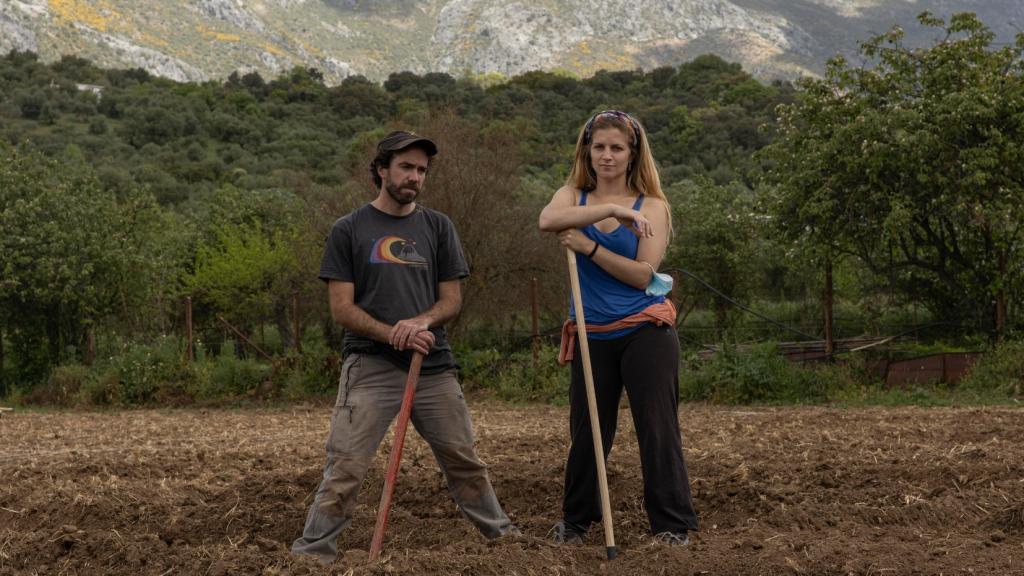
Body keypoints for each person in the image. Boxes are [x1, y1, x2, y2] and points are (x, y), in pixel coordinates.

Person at [292, 130, 517, 563]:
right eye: (406, 167)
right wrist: (391, 331)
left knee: (463, 460)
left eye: (421, 170)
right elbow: (341, 308)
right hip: (370, 365)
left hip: (432, 366)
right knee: (347, 467)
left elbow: (451, 300)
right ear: (381, 169)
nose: (414, 176)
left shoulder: (437, 226)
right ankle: (312, 554)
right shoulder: (349, 229)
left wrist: (420, 322)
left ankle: (506, 543)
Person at [538, 110, 699, 546]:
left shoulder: (652, 206)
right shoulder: (572, 195)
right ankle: (576, 521)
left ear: (632, 155)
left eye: (617, 148)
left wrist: (588, 246)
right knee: (588, 429)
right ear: (587, 152)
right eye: (599, 147)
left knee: (656, 426)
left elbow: (644, 275)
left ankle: (672, 525)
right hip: (593, 333)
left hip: (644, 330)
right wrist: (606, 209)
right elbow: (547, 221)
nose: (607, 155)